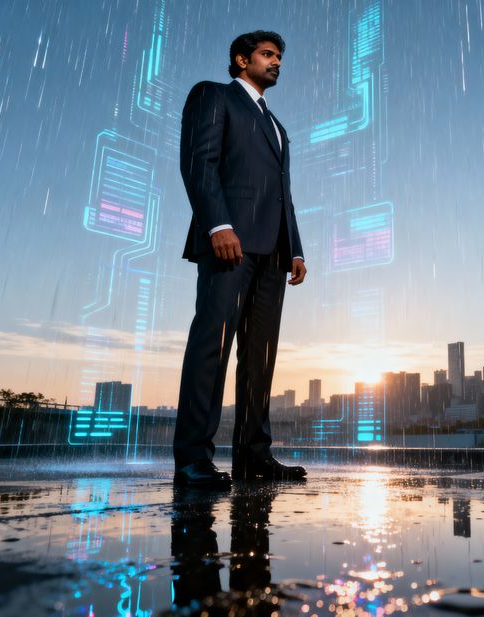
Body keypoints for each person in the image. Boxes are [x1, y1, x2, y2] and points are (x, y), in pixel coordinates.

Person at [175, 30, 308, 489]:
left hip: (273, 254)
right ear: (241, 59)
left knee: (260, 357)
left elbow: (282, 195)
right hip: (227, 243)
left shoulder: (279, 128)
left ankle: (254, 457)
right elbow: (199, 163)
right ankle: (193, 459)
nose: (277, 63)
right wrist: (217, 225)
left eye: (279, 57)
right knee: (212, 347)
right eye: (268, 55)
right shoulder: (212, 96)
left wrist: (295, 248)